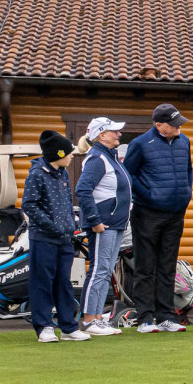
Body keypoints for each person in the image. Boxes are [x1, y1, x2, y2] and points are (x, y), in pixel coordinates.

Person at [121, 104, 193, 333]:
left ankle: (166, 317)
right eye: (174, 124)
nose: (179, 127)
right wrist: (149, 195)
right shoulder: (140, 144)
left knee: (168, 266)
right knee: (145, 267)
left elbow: (188, 171)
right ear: (160, 125)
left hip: (176, 213)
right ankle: (145, 318)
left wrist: (186, 193)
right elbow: (129, 174)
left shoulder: (184, 141)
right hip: (147, 213)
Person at [22, 131, 89, 343]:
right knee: (42, 282)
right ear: (57, 154)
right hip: (43, 238)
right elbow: (29, 205)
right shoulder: (37, 174)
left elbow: (67, 204)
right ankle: (44, 327)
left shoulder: (63, 173)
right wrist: (52, 226)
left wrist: (71, 225)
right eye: (68, 153)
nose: (71, 156)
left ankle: (68, 327)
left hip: (65, 239)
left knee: (64, 283)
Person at [74, 117, 132, 336]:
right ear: (101, 135)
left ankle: (98, 318)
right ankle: (89, 320)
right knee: (99, 270)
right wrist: (95, 220)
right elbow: (83, 190)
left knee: (106, 270)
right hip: (103, 225)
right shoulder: (97, 158)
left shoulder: (110, 156)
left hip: (115, 224)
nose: (119, 134)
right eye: (114, 131)